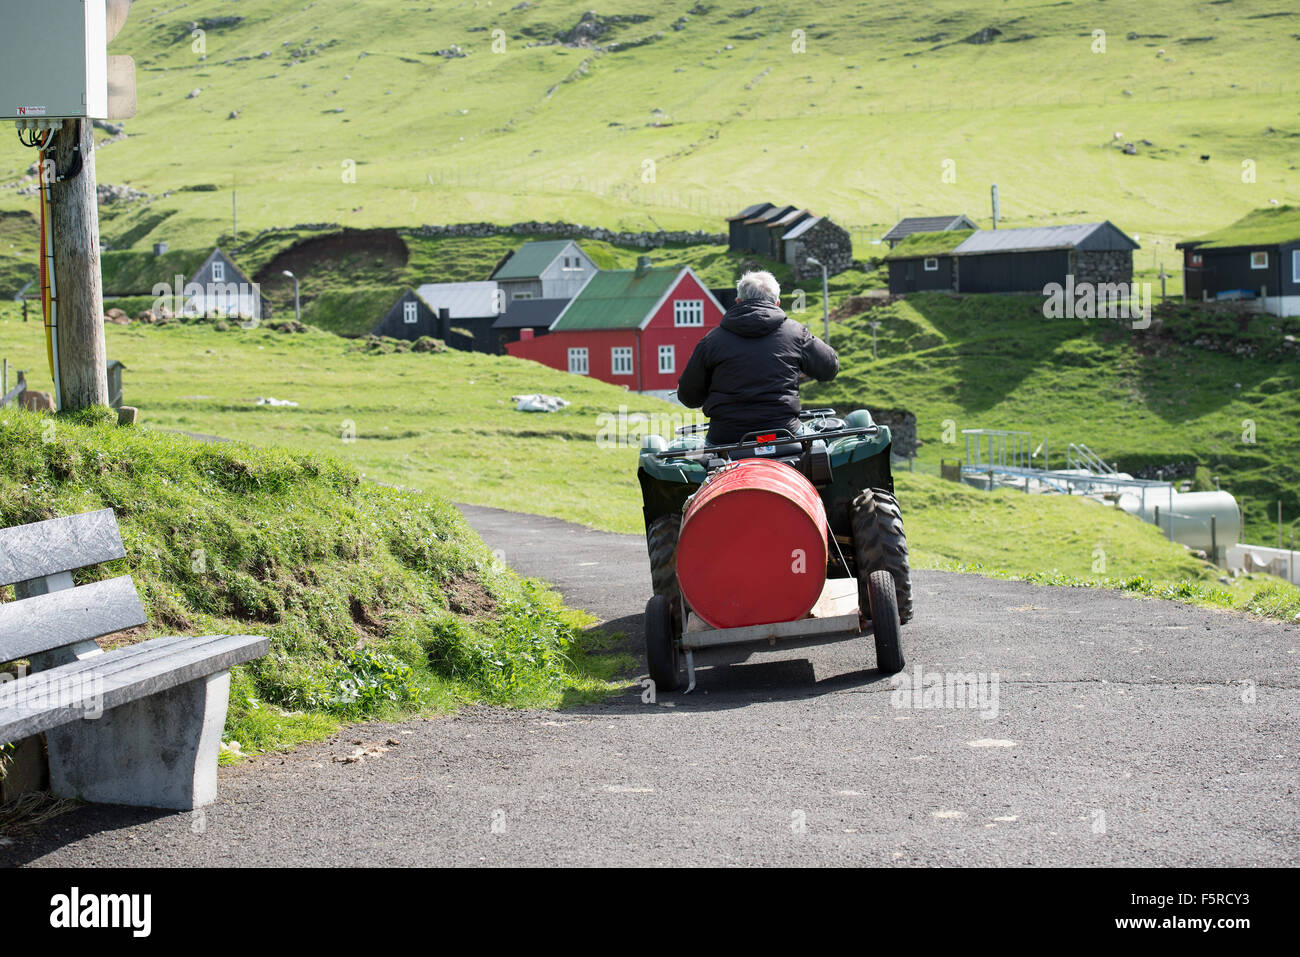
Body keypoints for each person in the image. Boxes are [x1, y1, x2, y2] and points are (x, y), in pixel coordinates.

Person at [677, 270, 839, 445]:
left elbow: (688, 397)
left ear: (738, 301)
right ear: (777, 303)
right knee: (824, 448)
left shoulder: (711, 340)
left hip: (726, 439)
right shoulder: (796, 332)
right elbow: (829, 368)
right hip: (784, 434)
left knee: (701, 464)